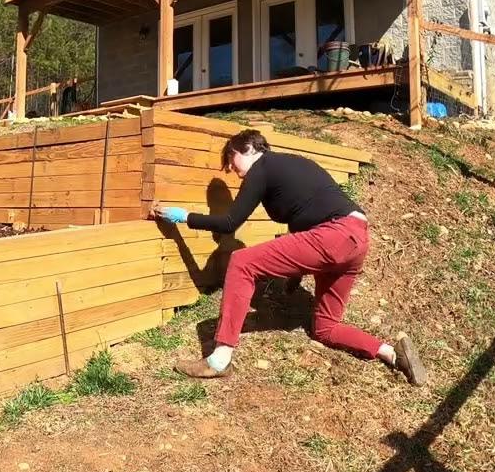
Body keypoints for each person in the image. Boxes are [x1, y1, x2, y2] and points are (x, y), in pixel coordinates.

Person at [151, 129, 426, 385]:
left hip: (335, 234)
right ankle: (390, 353)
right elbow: (302, 227)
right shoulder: (294, 166)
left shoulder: (263, 165)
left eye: (232, 161)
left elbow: (229, 222)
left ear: (248, 148)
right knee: (326, 328)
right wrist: (293, 279)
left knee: (242, 262)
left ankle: (219, 359)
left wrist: (184, 216)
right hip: (356, 240)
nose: (234, 172)